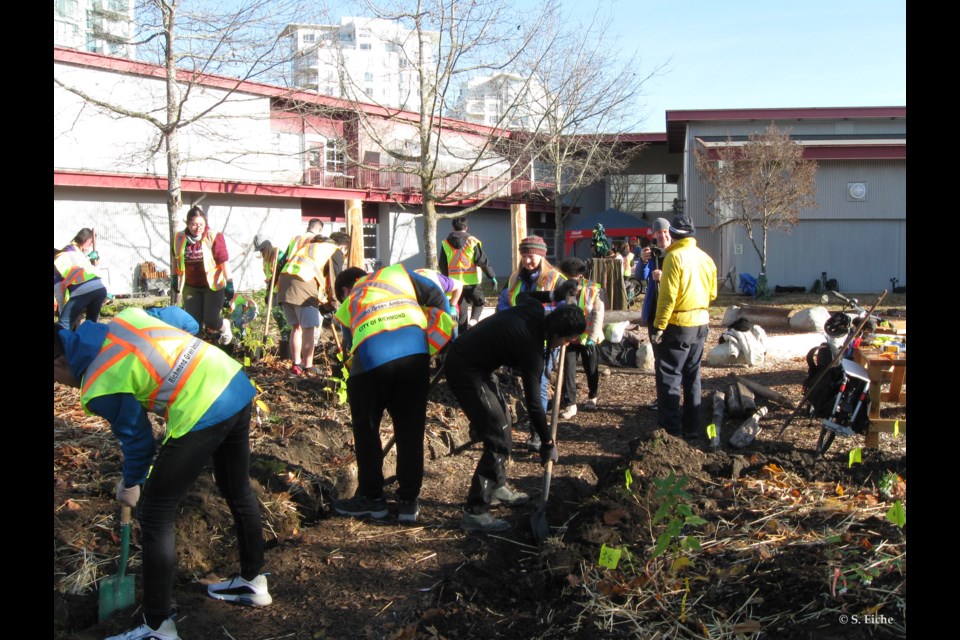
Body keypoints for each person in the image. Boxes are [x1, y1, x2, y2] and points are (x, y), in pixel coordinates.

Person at [54, 306, 271, 640]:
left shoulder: (99, 383)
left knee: (155, 512)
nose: (62, 385)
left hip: (202, 406)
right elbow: (186, 320)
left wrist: (131, 483)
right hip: (231, 379)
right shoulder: (124, 319)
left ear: (60, 362)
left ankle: (158, 626)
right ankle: (253, 582)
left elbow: (140, 441)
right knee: (236, 486)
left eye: (56, 378)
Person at [444, 297, 584, 533]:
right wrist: (547, 441)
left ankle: (496, 487)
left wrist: (557, 294)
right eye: (567, 340)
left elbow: (526, 296)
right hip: (465, 370)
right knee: (497, 436)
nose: (566, 345)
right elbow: (534, 404)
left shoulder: (535, 308)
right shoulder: (532, 350)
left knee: (505, 423)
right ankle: (475, 512)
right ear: (559, 334)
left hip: (478, 364)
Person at [332, 264, 456, 524]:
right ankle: (409, 503)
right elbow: (437, 295)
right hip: (415, 356)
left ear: (345, 288)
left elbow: (350, 348)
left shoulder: (349, 302)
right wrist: (446, 337)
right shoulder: (397, 274)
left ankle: (372, 500)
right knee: (410, 431)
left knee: (366, 431)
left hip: (370, 362)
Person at [496, 235, 567, 450]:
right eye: (524, 256)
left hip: (545, 342)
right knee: (526, 387)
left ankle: (537, 434)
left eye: (532, 256)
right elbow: (503, 305)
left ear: (542, 256)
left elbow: (564, 309)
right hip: (519, 340)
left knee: (538, 387)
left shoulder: (555, 279)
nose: (528, 261)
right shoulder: (514, 279)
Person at [650, 214, 718, 439]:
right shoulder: (705, 258)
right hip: (701, 323)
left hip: (678, 324)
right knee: (692, 377)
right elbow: (713, 293)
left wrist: (659, 326)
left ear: (675, 234)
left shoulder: (674, 257)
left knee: (669, 377)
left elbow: (668, 297)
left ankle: (670, 431)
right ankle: (693, 427)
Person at [278, 235, 339, 375]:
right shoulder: (333, 249)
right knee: (308, 330)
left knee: (296, 328)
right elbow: (335, 278)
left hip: (284, 285)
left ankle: (297, 364)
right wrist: (333, 304)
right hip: (303, 286)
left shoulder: (305, 247)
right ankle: (308, 367)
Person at [174, 206, 233, 345]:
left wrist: (229, 282)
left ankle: (225, 327)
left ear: (205, 223)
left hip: (212, 286)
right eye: (194, 224)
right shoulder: (180, 237)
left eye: (201, 224)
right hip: (191, 286)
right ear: (188, 224)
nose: (197, 227)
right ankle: (197, 354)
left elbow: (223, 261)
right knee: (194, 325)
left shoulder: (213, 236)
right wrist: (173, 277)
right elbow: (175, 259)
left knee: (211, 320)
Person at [557, 258, 604, 417]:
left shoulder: (593, 289)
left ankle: (593, 395)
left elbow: (598, 314)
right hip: (570, 338)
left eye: (573, 277)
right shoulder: (561, 288)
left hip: (588, 337)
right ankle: (570, 404)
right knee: (568, 370)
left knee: (590, 368)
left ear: (580, 276)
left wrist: (592, 337)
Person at [439, 216, 497, 332]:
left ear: (453, 227)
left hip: (455, 284)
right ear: (466, 227)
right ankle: (473, 321)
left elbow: (442, 265)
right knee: (479, 302)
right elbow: (482, 261)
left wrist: (447, 281)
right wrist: (492, 277)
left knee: (462, 310)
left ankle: (462, 335)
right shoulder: (472, 241)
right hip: (472, 282)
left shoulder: (445, 243)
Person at [638, 218, 672, 412]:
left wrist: (664, 276)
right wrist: (643, 261)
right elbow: (640, 277)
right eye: (658, 233)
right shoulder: (652, 254)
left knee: (671, 357)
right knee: (659, 356)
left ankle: (671, 398)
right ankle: (661, 398)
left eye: (665, 232)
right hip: (654, 311)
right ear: (653, 235)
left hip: (672, 312)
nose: (662, 235)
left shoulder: (677, 253)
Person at [54, 228, 108, 330]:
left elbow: (59, 295)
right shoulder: (73, 253)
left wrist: (63, 312)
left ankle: (61, 345)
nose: (91, 245)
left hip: (83, 290)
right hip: (100, 288)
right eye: (90, 243)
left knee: (63, 324)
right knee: (91, 324)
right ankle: (91, 344)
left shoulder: (59, 260)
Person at [253, 234, 290, 342]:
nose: (262, 252)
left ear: (267, 246)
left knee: (281, 314)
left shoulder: (278, 255)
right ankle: (284, 335)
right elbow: (269, 276)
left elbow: (283, 272)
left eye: (262, 249)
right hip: (272, 291)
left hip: (281, 290)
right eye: (260, 250)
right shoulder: (267, 259)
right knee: (276, 314)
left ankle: (287, 335)